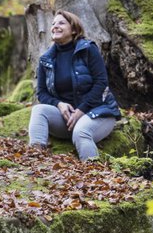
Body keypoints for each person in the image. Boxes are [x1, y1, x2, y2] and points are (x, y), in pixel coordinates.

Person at [28, 10, 121, 160]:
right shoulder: (46, 59)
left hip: (98, 112)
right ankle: (35, 160)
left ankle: (94, 175)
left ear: (74, 30)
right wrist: (59, 104)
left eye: (61, 23)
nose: (55, 26)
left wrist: (81, 110)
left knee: (81, 132)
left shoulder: (88, 49)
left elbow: (101, 83)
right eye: (53, 24)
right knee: (39, 110)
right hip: (67, 119)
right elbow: (42, 93)